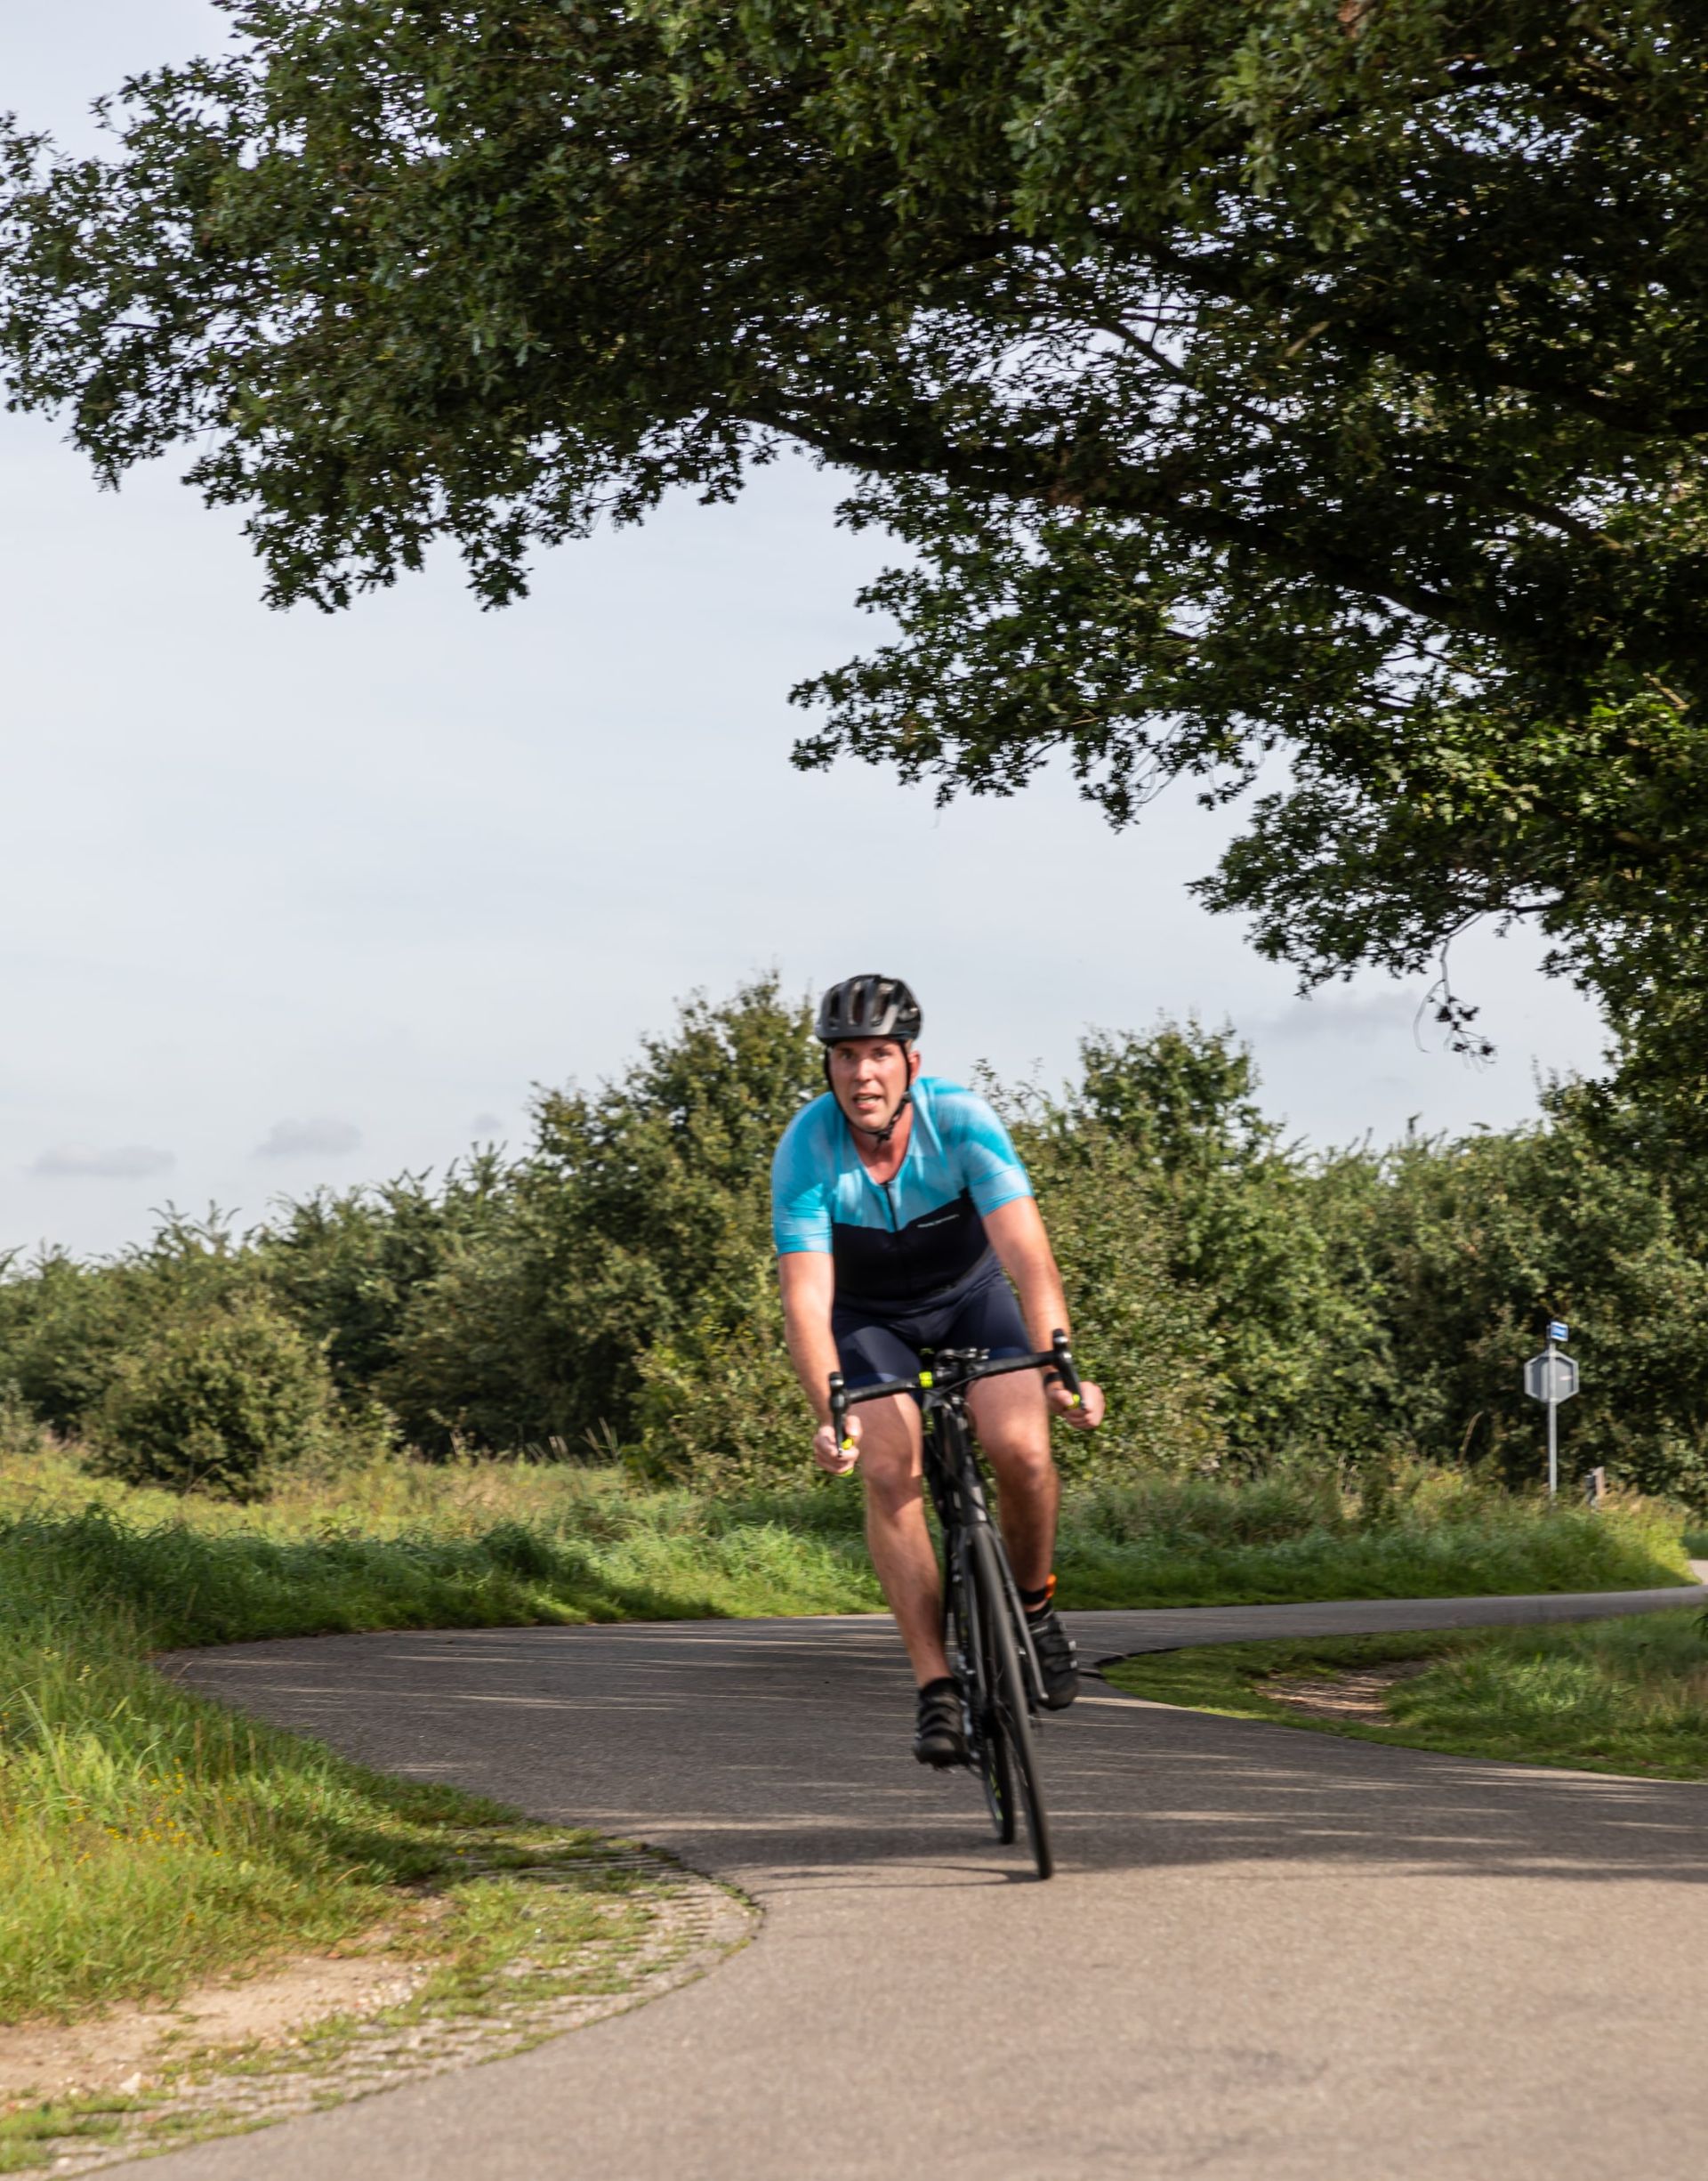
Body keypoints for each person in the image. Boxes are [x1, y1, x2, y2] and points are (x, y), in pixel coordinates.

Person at [771, 973, 1105, 1766]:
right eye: (845, 1056)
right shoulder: (806, 1149)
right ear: (829, 1069)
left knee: (1023, 1448)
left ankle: (1033, 1605)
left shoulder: (963, 1120)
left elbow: (1028, 1257)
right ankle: (936, 1688)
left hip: (971, 1299)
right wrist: (832, 1412)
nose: (862, 1073)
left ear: (911, 1063)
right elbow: (807, 1307)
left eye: (879, 1053)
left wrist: (1060, 1362)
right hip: (868, 1321)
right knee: (889, 1469)